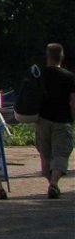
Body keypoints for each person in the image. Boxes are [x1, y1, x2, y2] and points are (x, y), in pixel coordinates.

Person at [34, 43, 74, 199]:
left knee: (45, 155)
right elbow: (73, 101)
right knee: (61, 154)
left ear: (47, 56)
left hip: (42, 120)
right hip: (62, 120)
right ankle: (54, 184)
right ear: (62, 57)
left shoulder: (40, 76)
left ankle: (52, 183)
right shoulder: (69, 77)